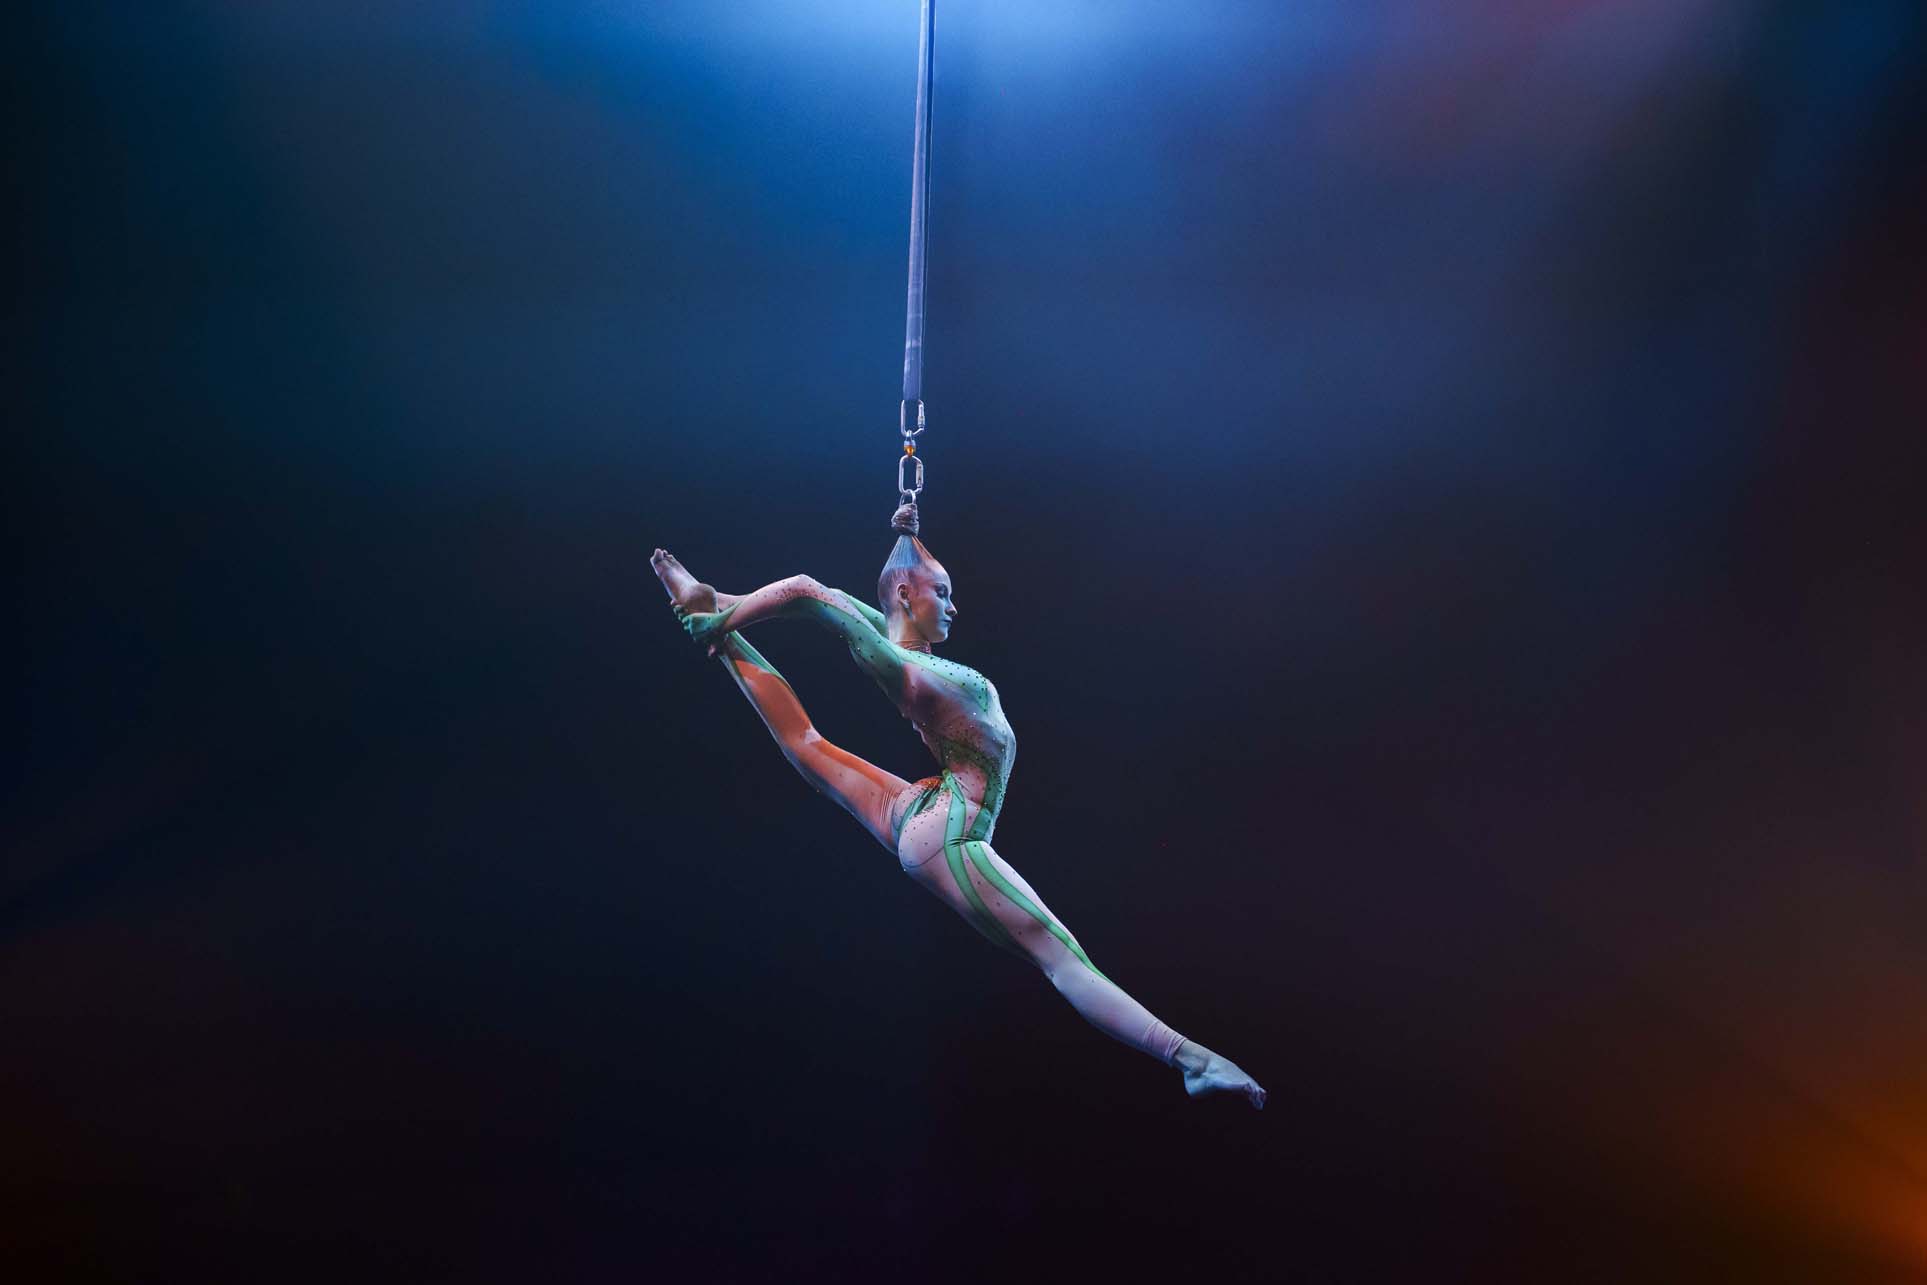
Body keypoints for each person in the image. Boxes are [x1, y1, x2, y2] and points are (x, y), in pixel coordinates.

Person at [650, 505, 1264, 1107]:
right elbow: (809, 591)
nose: (953, 606)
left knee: (806, 745)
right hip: (952, 829)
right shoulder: (904, 668)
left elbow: (840, 603)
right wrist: (729, 617)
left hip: (922, 808)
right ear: (906, 594)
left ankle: (704, 612)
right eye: (942, 592)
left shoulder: (906, 651)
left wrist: (723, 608)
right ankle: (1192, 1060)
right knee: (1060, 957)